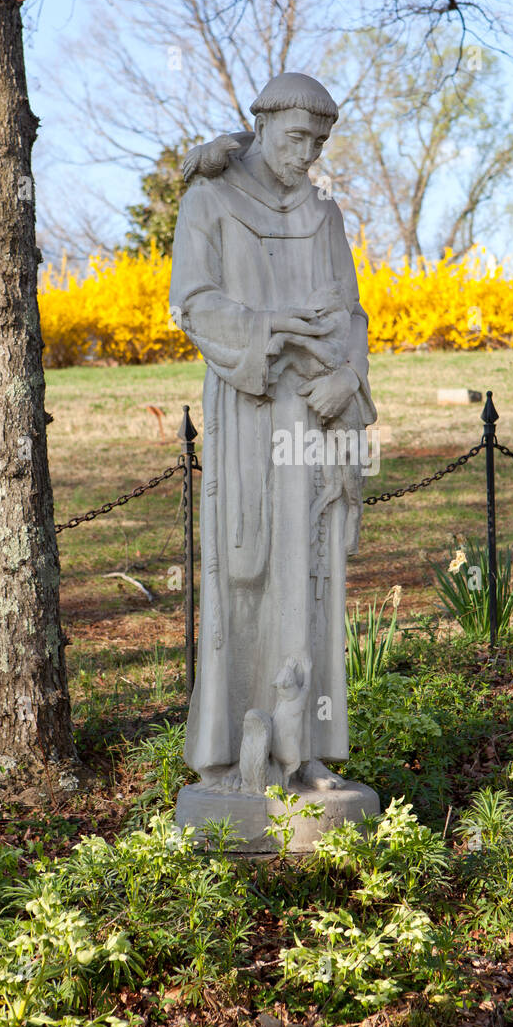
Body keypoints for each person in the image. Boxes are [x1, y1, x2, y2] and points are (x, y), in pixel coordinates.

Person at [169, 72, 376, 790]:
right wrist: (266, 330)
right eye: (297, 138)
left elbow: (352, 314)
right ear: (262, 126)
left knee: (311, 578)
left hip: (316, 417)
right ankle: (231, 757)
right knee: (247, 575)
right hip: (250, 412)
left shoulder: (324, 214)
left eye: (319, 142)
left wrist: (348, 378)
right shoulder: (211, 200)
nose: (308, 154)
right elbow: (193, 304)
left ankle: (302, 752)